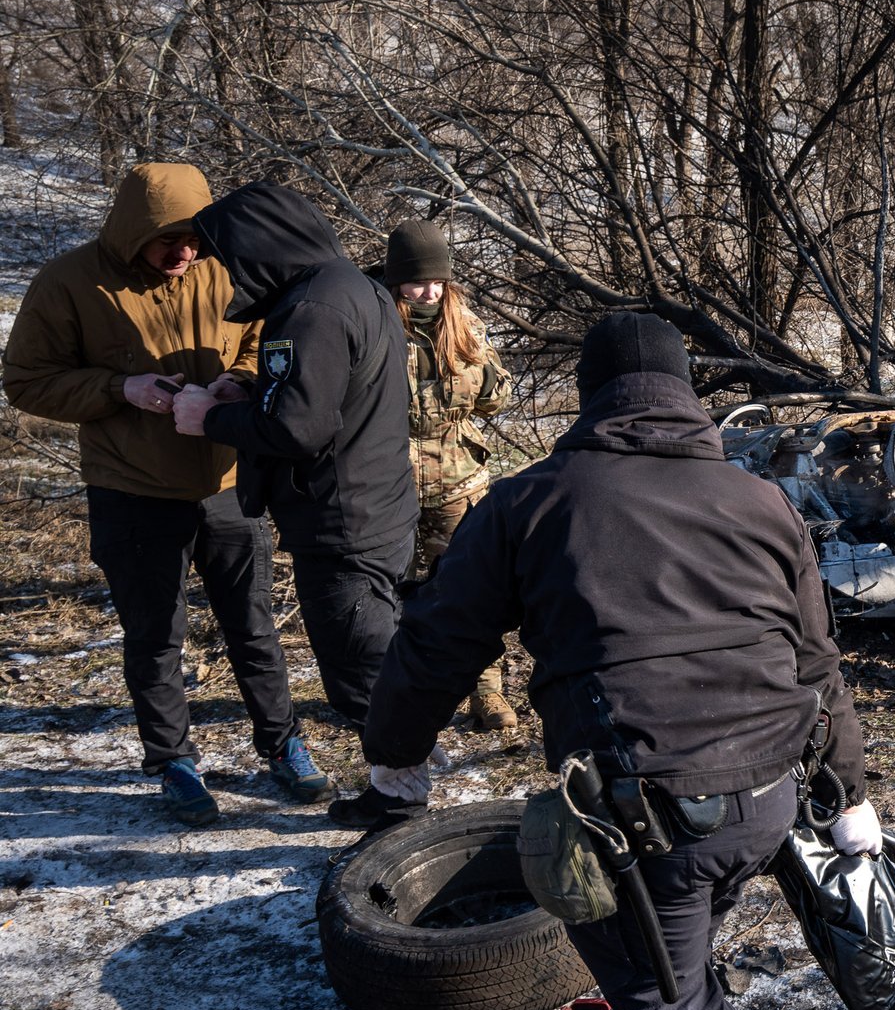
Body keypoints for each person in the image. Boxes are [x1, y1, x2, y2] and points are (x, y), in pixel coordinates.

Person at [347, 312, 882, 1010]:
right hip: (765, 803)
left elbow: (438, 643)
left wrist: (393, 746)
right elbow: (816, 663)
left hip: (651, 813)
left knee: (667, 995)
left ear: (594, 397)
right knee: (670, 965)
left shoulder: (530, 501)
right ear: (685, 396)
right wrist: (849, 789)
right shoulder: (760, 501)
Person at [3, 163, 328, 824]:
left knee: (254, 627)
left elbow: (264, 345)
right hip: (132, 489)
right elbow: (27, 380)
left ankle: (283, 742)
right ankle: (174, 761)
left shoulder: (223, 267)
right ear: (131, 232)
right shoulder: (70, 282)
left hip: (228, 483)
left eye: (193, 239)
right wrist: (119, 389)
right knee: (155, 634)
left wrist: (235, 384)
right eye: (167, 240)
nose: (183, 253)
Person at [172, 182, 417, 734]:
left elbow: (300, 428)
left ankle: (402, 802)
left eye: (233, 260)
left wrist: (206, 418)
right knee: (380, 655)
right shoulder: (356, 286)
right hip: (380, 511)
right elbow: (336, 397)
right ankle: (403, 779)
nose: (232, 277)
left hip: (343, 526)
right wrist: (254, 394)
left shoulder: (311, 309)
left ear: (259, 247)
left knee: (361, 675)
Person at [377, 220, 516, 731]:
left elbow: (494, 400)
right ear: (396, 281)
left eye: (437, 281)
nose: (429, 292)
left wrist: (479, 366)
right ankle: (396, 690)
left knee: (468, 589)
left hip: (457, 481)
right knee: (388, 595)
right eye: (416, 282)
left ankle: (487, 693)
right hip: (385, 483)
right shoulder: (375, 323)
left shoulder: (464, 323)